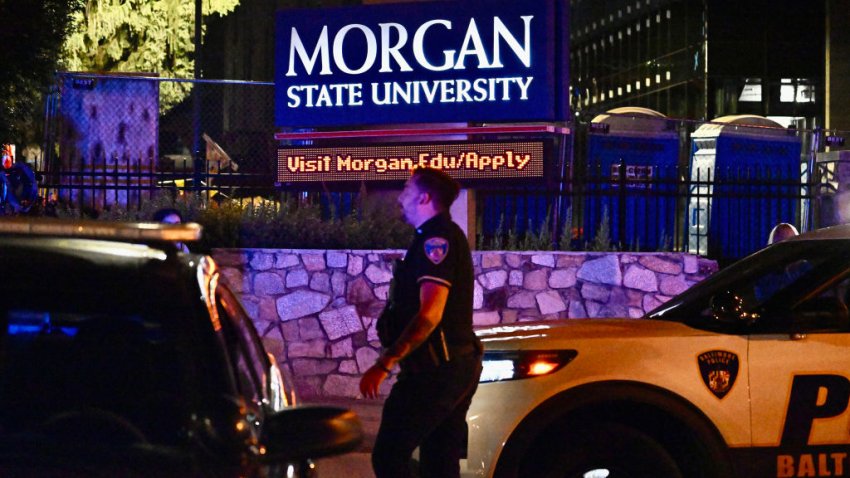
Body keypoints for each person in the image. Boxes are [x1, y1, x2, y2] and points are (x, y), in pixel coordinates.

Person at [359, 167, 483, 478]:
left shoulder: (436, 241)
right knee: (439, 463)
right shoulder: (431, 238)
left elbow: (430, 314)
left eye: (406, 190)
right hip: (447, 367)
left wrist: (385, 363)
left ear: (425, 197)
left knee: (389, 456)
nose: (400, 198)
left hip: (435, 373)